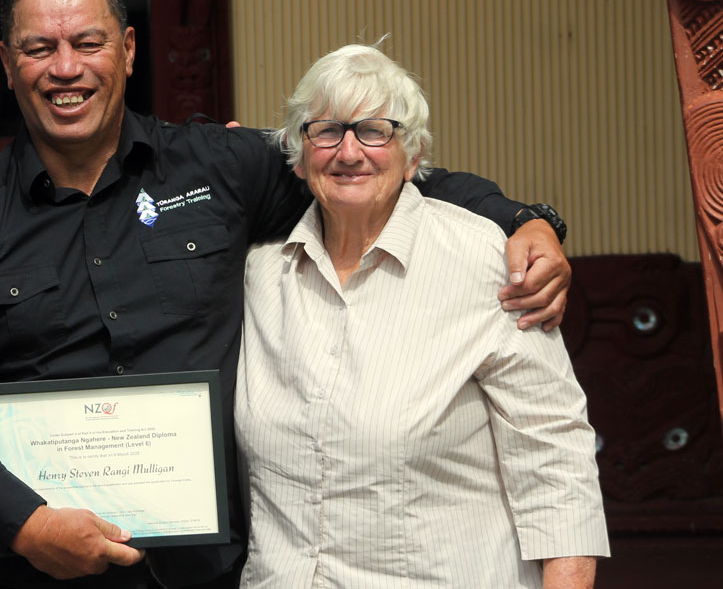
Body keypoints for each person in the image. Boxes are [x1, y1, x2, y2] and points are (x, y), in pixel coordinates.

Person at [0, 0, 572, 589]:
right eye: (38, 49)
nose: (65, 68)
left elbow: (364, 169)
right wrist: (23, 523)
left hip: (211, 576)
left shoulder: (219, 169)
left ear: (127, 49)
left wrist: (523, 219)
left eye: (87, 43)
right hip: (34, 575)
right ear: (6, 62)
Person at [235, 44, 607, 587]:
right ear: (296, 154)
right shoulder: (260, 272)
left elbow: (555, 452)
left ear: (413, 157)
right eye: (326, 131)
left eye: (375, 131)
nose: (349, 151)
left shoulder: (484, 260)